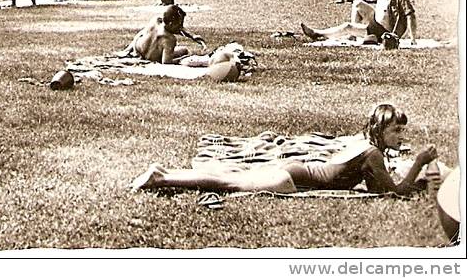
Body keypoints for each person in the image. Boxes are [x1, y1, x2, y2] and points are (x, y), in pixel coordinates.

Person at [131, 103, 439, 195]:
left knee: (228, 178)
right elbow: (392, 193)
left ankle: (166, 174)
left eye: (402, 131)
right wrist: (419, 164)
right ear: (379, 130)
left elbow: (375, 185)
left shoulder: (365, 146)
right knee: (227, 183)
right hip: (289, 180)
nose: (400, 136)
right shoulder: (372, 154)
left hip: (295, 171)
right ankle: (161, 177)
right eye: (396, 130)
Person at [301, 0, 417, 46]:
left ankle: (317, 34)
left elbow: (410, 15)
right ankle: (354, 37)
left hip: (383, 31)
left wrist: (413, 39)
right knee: (357, 3)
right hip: (376, 22)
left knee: (347, 26)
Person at [120, 4, 207, 64]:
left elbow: (176, 28)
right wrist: (186, 58)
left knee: (142, 34)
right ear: (171, 24)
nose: (181, 27)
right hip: (151, 56)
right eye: (179, 24)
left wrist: (192, 35)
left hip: (139, 49)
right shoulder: (169, 39)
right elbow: (166, 62)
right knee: (184, 50)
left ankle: (128, 50)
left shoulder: (155, 20)